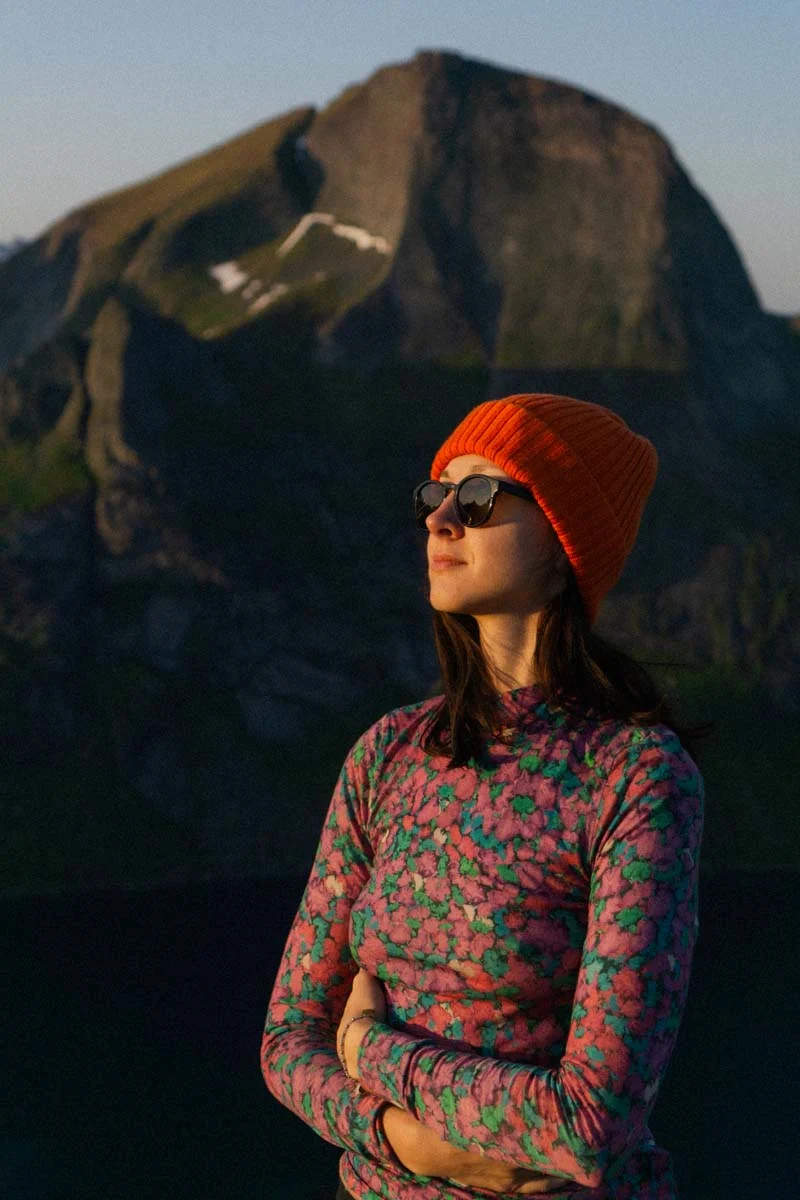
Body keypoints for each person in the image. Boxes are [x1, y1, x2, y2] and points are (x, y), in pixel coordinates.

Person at [261, 393, 706, 1199]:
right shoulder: (388, 755)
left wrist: (368, 1047)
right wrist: (407, 1142)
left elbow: (591, 1124)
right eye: (435, 496)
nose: (440, 521)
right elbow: (288, 1038)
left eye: (477, 497)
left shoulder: (637, 777)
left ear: (566, 542)